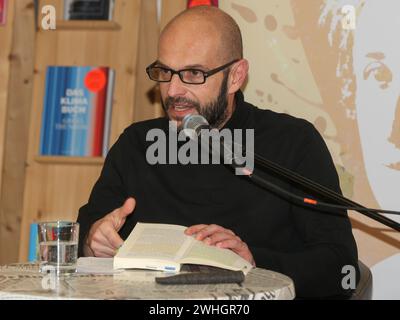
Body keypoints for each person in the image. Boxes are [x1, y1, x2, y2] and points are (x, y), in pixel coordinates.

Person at [77, 6, 359, 299]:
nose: (173, 90)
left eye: (193, 73)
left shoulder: (292, 142)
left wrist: (253, 262)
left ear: (236, 76)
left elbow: (340, 268)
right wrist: (93, 240)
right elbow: (88, 229)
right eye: (165, 72)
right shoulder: (137, 143)